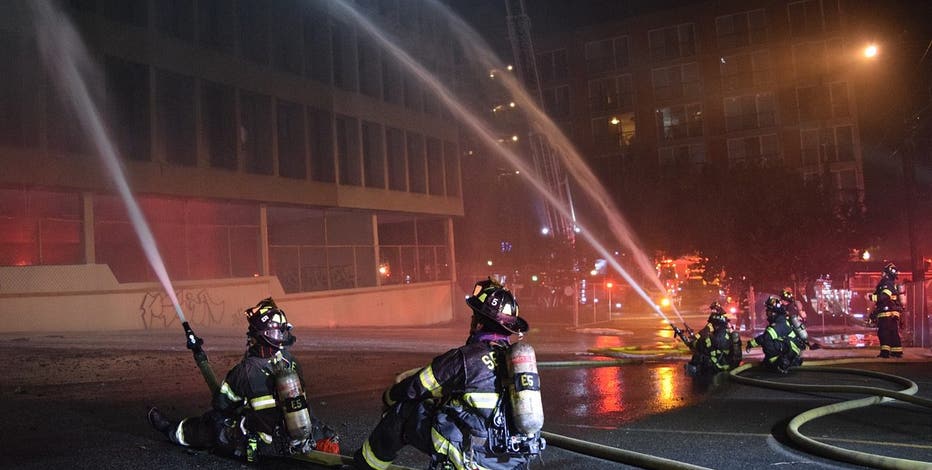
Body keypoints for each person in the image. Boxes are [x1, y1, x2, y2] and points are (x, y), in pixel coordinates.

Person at [353, 278, 544, 470]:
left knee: (405, 410)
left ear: (478, 323)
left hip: (473, 458)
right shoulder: (516, 364)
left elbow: (417, 386)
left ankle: (365, 466)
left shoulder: (465, 358)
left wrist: (389, 397)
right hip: (510, 462)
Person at [147, 298, 339, 462]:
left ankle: (173, 431)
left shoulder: (245, 371)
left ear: (257, 335)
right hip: (294, 433)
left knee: (214, 423)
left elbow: (221, 404)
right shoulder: (291, 361)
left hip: (263, 443)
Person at [682, 301, 742, 377]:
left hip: (719, 363)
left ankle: (696, 374)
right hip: (727, 361)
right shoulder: (725, 328)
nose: (712, 311)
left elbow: (704, 334)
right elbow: (705, 331)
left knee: (699, 355)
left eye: (713, 309)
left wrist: (694, 341)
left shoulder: (715, 335)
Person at [746, 296, 804, 373]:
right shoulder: (780, 319)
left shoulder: (779, 323)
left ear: (774, 312)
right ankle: (776, 361)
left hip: (791, 349)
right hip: (790, 347)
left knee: (767, 342)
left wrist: (751, 343)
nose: (766, 312)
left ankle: (778, 363)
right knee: (771, 341)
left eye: (768, 310)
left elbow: (766, 337)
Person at [869, 262, 904, 358]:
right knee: (893, 332)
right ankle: (897, 351)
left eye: (884, 272)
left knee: (884, 332)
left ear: (887, 273)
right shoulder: (892, 284)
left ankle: (885, 353)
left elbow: (884, 297)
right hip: (893, 312)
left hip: (886, 313)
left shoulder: (886, 283)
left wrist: (871, 297)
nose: (882, 274)